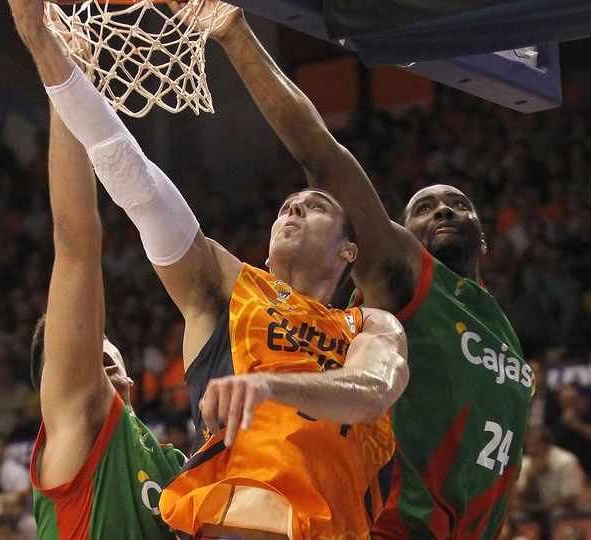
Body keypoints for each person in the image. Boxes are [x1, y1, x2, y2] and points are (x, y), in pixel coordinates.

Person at [7, 1, 410, 538]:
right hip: (239, 523)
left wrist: (273, 386)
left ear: (348, 252)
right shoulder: (231, 287)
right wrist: (53, 60)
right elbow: (139, 186)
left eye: (314, 206)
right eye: (286, 205)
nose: (294, 207)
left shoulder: (371, 325)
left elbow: (376, 389)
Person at [208, 6, 533, 538]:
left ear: (484, 238)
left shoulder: (506, 333)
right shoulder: (406, 278)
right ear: (393, 239)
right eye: (423, 209)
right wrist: (235, 33)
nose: (443, 210)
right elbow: (322, 156)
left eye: (458, 204)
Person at [3, 16, 185, 539]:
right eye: (70, 351)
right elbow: (76, 242)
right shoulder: (73, 424)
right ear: (50, 385)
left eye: (98, 343)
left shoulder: (173, 465)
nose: (88, 348)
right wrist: (63, 76)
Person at [513, 426, 585, 536]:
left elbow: (571, 500)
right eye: (529, 445)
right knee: (516, 517)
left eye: (535, 445)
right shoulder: (526, 464)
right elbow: (520, 499)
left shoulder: (566, 461)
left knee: (557, 514)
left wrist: (540, 508)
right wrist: (531, 477)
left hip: (565, 511)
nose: (531, 450)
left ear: (546, 445)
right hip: (536, 512)